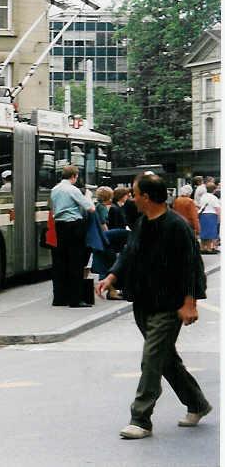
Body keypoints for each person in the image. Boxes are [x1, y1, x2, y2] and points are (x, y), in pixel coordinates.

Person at [96, 174, 211, 439]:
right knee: (165, 359)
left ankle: (141, 418)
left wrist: (189, 303)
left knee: (151, 359)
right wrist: (111, 277)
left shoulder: (176, 226)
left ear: (146, 197)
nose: (132, 198)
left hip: (169, 305)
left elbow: (192, 267)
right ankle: (197, 403)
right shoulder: (141, 223)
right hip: (143, 302)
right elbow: (128, 254)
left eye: (135, 194)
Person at [49, 164, 95, 308]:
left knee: (60, 262)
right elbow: (91, 208)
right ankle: (75, 299)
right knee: (76, 262)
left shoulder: (54, 190)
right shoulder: (73, 189)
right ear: (74, 176)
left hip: (59, 226)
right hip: (74, 226)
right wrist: (88, 197)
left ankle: (59, 298)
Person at [197, 181, 220, 254]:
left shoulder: (203, 197)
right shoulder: (214, 198)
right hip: (211, 215)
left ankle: (202, 248)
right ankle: (209, 248)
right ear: (214, 190)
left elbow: (200, 206)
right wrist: (219, 218)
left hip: (203, 215)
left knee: (203, 233)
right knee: (210, 233)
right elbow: (217, 209)